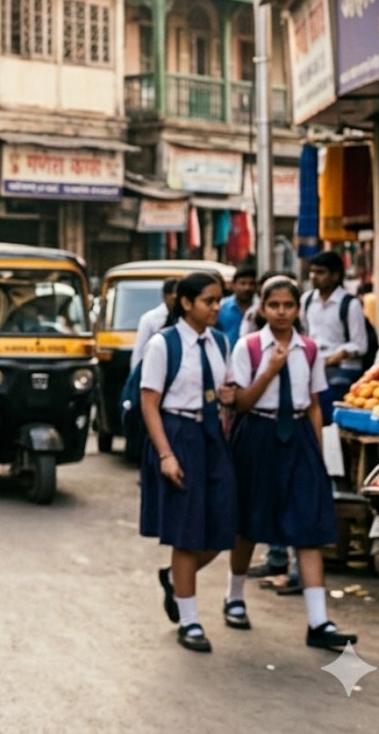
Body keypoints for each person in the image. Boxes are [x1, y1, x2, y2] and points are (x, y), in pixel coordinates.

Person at [223, 276, 358, 651]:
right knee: (249, 521)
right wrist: (269, 370)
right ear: (263, 309)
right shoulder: (248, 348)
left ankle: (318, 621)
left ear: (298, 309)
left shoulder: (310, 349)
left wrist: (316, 452)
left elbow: (314, 404)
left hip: (297, 437)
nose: (282, 313)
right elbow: (241, 404)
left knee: (308, 524)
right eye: (274, 305)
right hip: (258, 434)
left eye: (289, 306)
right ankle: (233, 597)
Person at [138, 272, 238, 653]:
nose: (216, 308)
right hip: (178, 434)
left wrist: (229, 395)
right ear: (186, 303)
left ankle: (175, 581)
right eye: (209, 301)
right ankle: (191, 621)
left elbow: (223, 389)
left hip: (212, 437)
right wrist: (166, 454)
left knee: (224, 524)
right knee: (186, 531)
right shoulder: (164, 344)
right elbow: (150, 402)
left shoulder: (220, 342)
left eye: (218, 301)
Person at [303, 251, 367, 422]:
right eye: (312, 271)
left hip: (342, 371)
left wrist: (335, 356)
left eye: (320, 272)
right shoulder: (307, 300)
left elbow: (360, 344)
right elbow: (304, 333)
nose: (314, 276)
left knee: (333, 415)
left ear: (335, 275)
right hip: (314, 367)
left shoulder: (350, 304)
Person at [130, 277, 180, 368]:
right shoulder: (149, 319)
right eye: (172, 295)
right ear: (164, 296)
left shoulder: (186, 318)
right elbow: (139, 351)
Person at [216, 266, 257, 345]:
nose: (247, 288)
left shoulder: (260, 309)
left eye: (251, 284)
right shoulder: (221, 306)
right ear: (233, 285)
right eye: (243, 283)